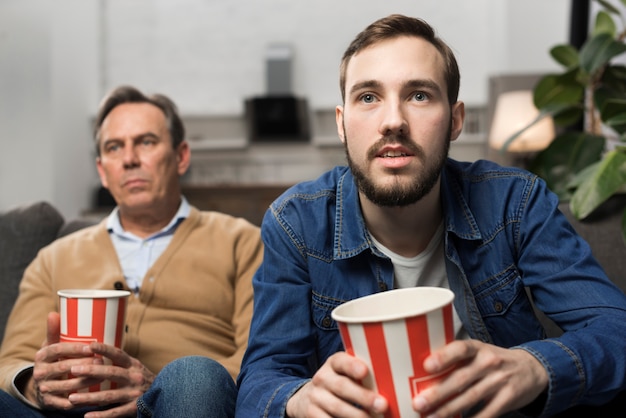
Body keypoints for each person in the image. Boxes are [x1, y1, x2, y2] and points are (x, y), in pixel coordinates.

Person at [236, 14, 626, 418]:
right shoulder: (295, 223)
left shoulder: (516, 202)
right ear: (341, 124)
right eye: (368, 97)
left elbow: (617, 330)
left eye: (419, 95)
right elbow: (259, 384)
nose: (393, 122)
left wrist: (536, 366)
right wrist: (297, 400)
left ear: (455, 120)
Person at [0, 85, 263, 418]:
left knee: (193, 376)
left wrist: (155, 391)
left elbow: (260, 360)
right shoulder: (53, 258)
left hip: (181, 404)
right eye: (114, 147)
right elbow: (10, 364)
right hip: (67, 412)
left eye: (146, 142)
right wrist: (36, 385)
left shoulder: (241, 241)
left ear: (181, 156)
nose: (129, 159)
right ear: (102, 171)